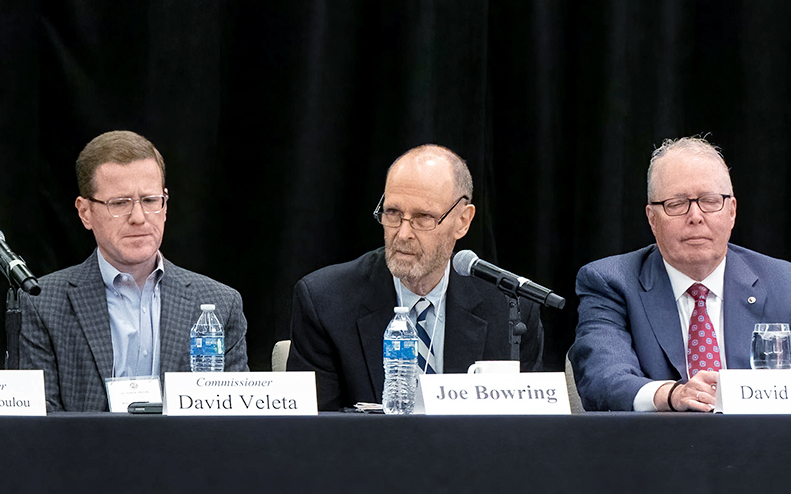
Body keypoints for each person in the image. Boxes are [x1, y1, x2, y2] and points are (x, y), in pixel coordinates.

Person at [570, 136, 791, 412]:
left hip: (764, 449)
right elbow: (602, 379)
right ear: (652, 218)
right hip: (655, 450)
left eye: (710, 201)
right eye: (676, 204)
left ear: (732, 212)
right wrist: (671, 394)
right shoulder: (611, 282)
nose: (696, 216)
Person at [287, 144, 544, 411]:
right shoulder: (325, 301)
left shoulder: (510, 307)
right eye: (393, 214)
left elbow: (527, 432)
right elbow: (314, 432)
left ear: (463, 221)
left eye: (423, 218)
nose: (403, 234)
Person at [19, 130, 248, 411]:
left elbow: (235, 419)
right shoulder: (44, 303)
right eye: (120, 203)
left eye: (150, 201)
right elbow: (39, 422)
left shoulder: (221, 303)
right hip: (83, 452)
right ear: (85, 212)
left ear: (165, 206)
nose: (138, 218)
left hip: (186, 453)